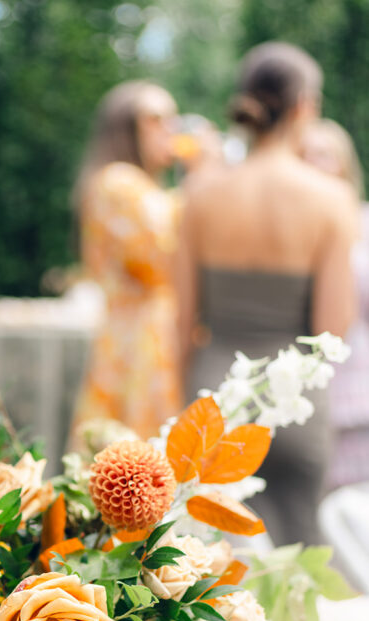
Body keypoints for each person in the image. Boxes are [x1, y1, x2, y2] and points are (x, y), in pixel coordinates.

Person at [176, 42, 357, 545]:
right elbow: (331, 329)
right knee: (295, 567)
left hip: (216, 399)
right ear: (304, 104)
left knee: (210, 572)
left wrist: (179, 400)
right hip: (292, 402)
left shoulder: (200, 195)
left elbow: (182, 321)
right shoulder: (331, 199)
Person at [71, 81, 183, 443]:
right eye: (156, 119)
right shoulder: (118, 182)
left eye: (173, 119)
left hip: (142, 337)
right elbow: (163, 259)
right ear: (125, 128)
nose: (171, 130)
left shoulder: (143, 188)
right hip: (138, 344)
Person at [300, 119, 369, 489]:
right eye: (305, 155)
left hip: (360, 391)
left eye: (324, 154)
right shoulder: (284, 234)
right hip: (302, 399)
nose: (313, 164)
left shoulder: (365, 222)